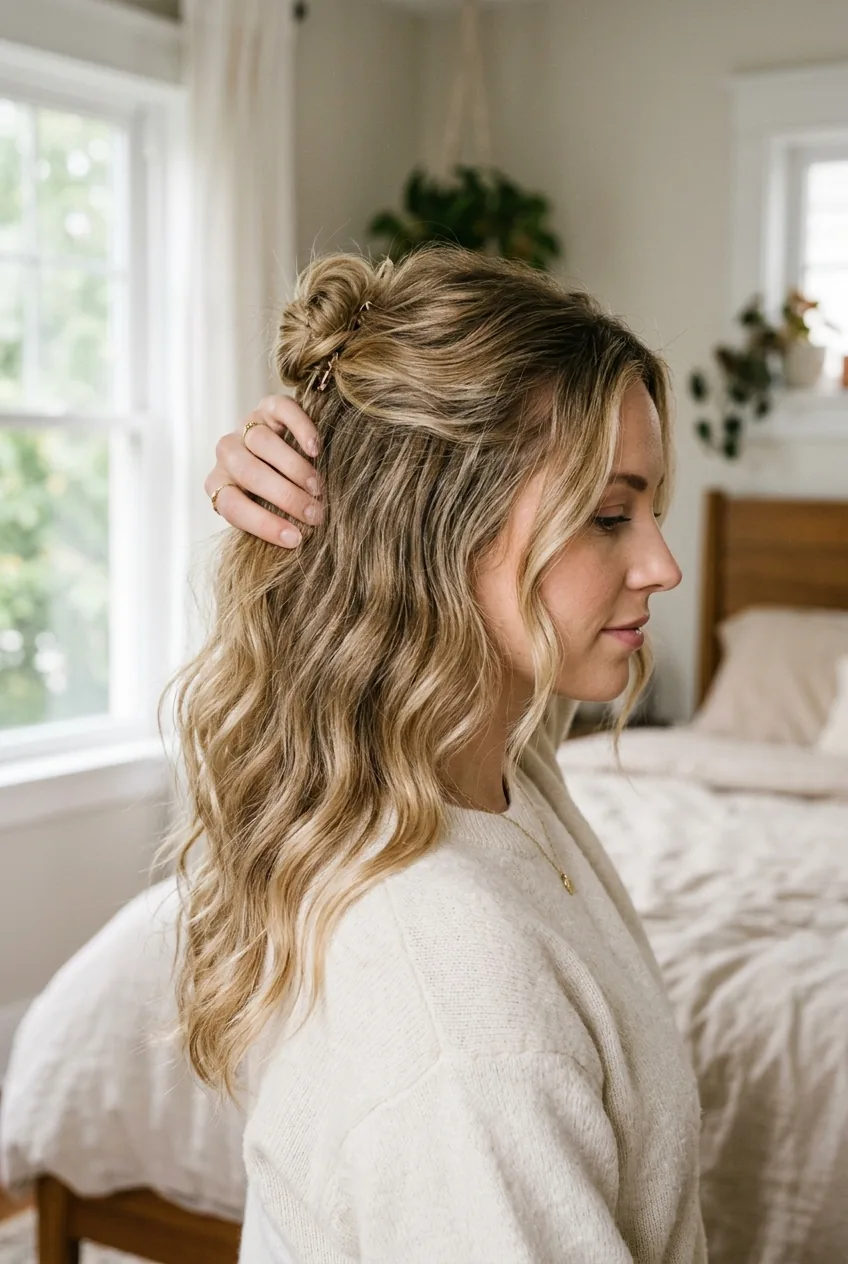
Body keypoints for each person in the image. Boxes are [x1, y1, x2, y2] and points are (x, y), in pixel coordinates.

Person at [170, 245, 705, 1262]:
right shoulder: (465, 1009)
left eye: (650, 510)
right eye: (608, 515)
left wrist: (345, 456)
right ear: (436, 529)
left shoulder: (482, 765)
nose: (662, 564)